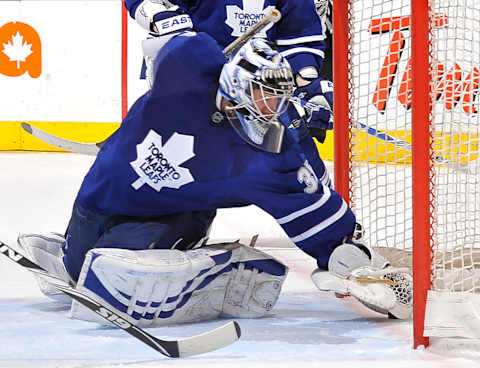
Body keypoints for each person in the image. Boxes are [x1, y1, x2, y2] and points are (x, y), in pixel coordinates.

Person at [18, 26, 412, 328]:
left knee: (113, 275)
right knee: (80, 270)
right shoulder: (187, 65)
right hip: (100, 196)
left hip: (169, 218)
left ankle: (221, 265)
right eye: (262, 96)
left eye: (277, 99)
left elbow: (317, 217)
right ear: (234, 86)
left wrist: (358, 267)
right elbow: (161, 43)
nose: (271, 109)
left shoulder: (272, 159)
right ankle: (75, 259)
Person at [125, 0, 334, 143]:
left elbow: (300, 36)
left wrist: (307, 82)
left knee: (297, 165)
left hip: (260, 88)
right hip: (197, 78)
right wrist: (163, 19)